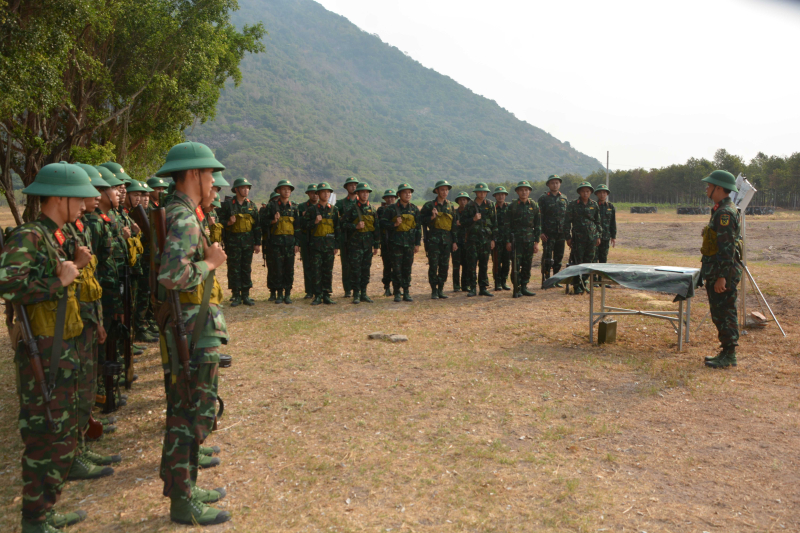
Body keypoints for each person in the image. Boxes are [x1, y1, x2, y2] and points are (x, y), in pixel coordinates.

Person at [0, 162, 100, 532]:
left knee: (61, 432)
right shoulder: (29, 236)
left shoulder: (55, 235)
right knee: (44, 437)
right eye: (78, 197)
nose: (84, 203)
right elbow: (8, 286)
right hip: (42, 352)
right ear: (59, 197)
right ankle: (34, 519)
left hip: (62, 348)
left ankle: (46, 508)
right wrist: (58, 281)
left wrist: (71, 268)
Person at [153, 141, 230, 525]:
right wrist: (209, 264)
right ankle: (182, 501)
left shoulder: (183, 214)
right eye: (210, 174)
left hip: (193, 327)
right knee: (188, 415)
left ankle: (186, 487)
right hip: (192, 330)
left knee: (186, 412)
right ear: (194, 175)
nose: (214, 181)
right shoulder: (184, 219)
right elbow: (171, 275)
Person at [68, 164, 121, 473]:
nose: (93, 197)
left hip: (86, 319)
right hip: (67, 327)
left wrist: (97, 319)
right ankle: (74, 454)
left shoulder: (78, 228)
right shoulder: (41, 235)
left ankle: (82, 445)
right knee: (72, 390)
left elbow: (90, 281)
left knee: (85, 387)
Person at [700, 170, 743, 369]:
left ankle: (729, 354)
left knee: (725, 313)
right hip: (717, 270)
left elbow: (727, 249)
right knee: (720, 312)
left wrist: (722, 277)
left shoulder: (724, 213)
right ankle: (725, 351)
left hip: (723, 273)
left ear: (718, 188)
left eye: (709, 185)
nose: (706, 188)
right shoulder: (720, 209)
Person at [218, 178, 261, 306]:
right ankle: (236, 295)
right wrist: (228, 223)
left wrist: (257, 243)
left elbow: (257, 226)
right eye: (243, 188)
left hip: (248, 243)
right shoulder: (228, 205)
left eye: (247, 188)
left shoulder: (252, 205)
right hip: (233, 243)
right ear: (236, 189)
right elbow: (219, 221)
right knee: (234, 268)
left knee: (246, 268)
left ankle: (246, 295)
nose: (246, 190)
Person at [341, 182, 380, 303]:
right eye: (362, 192)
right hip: (355, 245)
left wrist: (376, 245)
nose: (365, 194)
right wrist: (354, 226)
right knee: (355, 270)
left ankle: (364, 293)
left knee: (366, 269)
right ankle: (356, 294)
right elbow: (342, 224)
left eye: (367, 192)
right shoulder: (351, 209)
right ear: (357, 193)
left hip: (368, 245)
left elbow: (376, 228)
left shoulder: (372, 209)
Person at [381, 183, 421, 302]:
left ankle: (406, 291)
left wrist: (417, 243)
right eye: (405, 192)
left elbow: (418, 228)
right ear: (399, 194)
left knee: (407, 268)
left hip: (409, 244)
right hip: (395, 244)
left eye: (409, 192)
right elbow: (382, 223)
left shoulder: (414, 209)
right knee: (396, 269)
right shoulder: (391, 209)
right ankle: (397, 292)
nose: (408, 194)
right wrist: (394, 225)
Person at [263, 180, 300, 304]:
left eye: (289, 189)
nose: (287, 191)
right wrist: (273, 221)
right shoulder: (272, 206)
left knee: (289, 269)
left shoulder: (294, 207)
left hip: (289, 244)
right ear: (278, 191)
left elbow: (297, 227)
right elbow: (263, 222)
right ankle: (279, 293)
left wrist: (297, 243)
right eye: (284, 189)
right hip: (275, 244)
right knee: (277, 269)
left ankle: (288, 293)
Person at [420, 180, 457, 299]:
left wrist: (454, 241)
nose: (445, 192)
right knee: (433, 265)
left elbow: (454, 226)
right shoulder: (429, 205)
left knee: (444, 265)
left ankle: (441, 288)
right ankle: (434, 290)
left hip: (447, 241)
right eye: (442, 190)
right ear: (436, 191)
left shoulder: (450, 206)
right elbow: (420, 220)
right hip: (434, 241)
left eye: (446, 190)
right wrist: (431, 217)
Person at [505, 181, 541, 297]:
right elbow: (507, 225)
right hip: (516, 240)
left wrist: (536, 242)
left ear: (529, 191)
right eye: (521, 190)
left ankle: (524, 286)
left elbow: (538, 225)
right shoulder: (512, 206)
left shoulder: (534, 206)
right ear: (517, 192)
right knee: (516, 264)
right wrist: (508, 241)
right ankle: (517, 287)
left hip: (529, 240)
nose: (524, 192)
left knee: (527, 264)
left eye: (526, 190)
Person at [564, 181, 601, 295]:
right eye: (583, 191)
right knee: (577, 262)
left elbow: (598, 222)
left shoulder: (594, 205)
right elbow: (566, 223)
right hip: (578, 239)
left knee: (588, 262)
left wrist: (598, 236)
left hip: (591, 239)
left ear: (590, 192)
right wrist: (568, 238)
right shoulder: (573, 205)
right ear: (579, 192)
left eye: (587, 191)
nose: (585, 193)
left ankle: (584, 283)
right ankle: (576, 285)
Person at [305, 182, 339, 305]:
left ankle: (327, 294)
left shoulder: (334, 210)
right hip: (316, 246)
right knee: (316, 271)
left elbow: (337, 229)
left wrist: (336, 245)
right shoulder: (312, 210)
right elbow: (304, 227)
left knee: (328, 271)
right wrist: (314, 222)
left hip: (329, 246)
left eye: (328, 192)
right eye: (323, 192)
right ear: (318, 194)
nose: (326, 194)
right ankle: (317, 295)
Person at [460, 182, 496, 297]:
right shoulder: (469, 206)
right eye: (480, 192)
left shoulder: (490, 205)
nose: (482, 194)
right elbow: (462, 222)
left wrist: (493, 239)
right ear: (476, 193)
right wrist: (473, 219)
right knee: (472, 264)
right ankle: (472, 288)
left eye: (484, 192)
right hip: (472, 240)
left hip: (486, 240)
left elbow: (495, 224)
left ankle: (483, 287)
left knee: (484, 264)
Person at [538, 174, 569, 288]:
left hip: (560, 233)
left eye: (557, 182)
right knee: (547, 257)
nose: (555, 185)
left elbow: (567, 216)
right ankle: (546, 279)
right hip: (548, 233)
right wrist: (541, 232)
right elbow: (539, 216)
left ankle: (556, 278)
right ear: (548, 185)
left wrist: (567, 232)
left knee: (559, 257)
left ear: (560, 184)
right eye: (552, 183)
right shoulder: (543, 198)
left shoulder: (564, 198)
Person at [336, 176, 359, 297]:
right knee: (346, 265)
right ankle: (348, 289)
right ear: (346, 187)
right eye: (351, 185)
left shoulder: (362, 203)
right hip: (345, 238)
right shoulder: (340, 203)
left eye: (355, 184)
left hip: (360, 239)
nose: (353, 186)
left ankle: (358, 288)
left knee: (358, 265)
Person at [297, 184, 318, 299]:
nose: (314, 195)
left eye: (316, 193)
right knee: (308, 265)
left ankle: (319, 290)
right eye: (312, 193)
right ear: (308, 194)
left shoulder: (323, 206)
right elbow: (298, 222)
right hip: (306, 239)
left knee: (319, 266)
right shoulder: (301, 207)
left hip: (319, 240)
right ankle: (309, 291)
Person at [376, 189, 397, 296]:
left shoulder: (399, 209)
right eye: (388, 197)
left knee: (397, 266)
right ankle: (387, 287)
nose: (390, 199)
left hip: (397, 241)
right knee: (387, 265)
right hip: (385, 242)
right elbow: (379, 224)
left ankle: (397, 287)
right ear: (384, 199)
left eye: (392, 197)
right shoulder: (380, 210)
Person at [492, 186, 511, 291]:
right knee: (496, 261)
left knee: (507, 261)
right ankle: (497, 282)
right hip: (496, 239)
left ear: (505, 196)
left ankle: (504, 281)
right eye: (498, 194)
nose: (501, 196)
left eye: (503, 194)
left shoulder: (509, 207)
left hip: (507, 239)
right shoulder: (492, 208)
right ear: (495, 196)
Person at [451, 191, 470, 292]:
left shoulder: (470, 213)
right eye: (461, 199)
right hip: (457, 242)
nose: (463, 201)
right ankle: (456, 285)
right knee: (456, 265)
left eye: (465, 199)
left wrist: (461, 224)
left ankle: (465, 285)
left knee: (466, 264)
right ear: (458, 201)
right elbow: (452, 227)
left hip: (467, 242)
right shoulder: (454, 213)